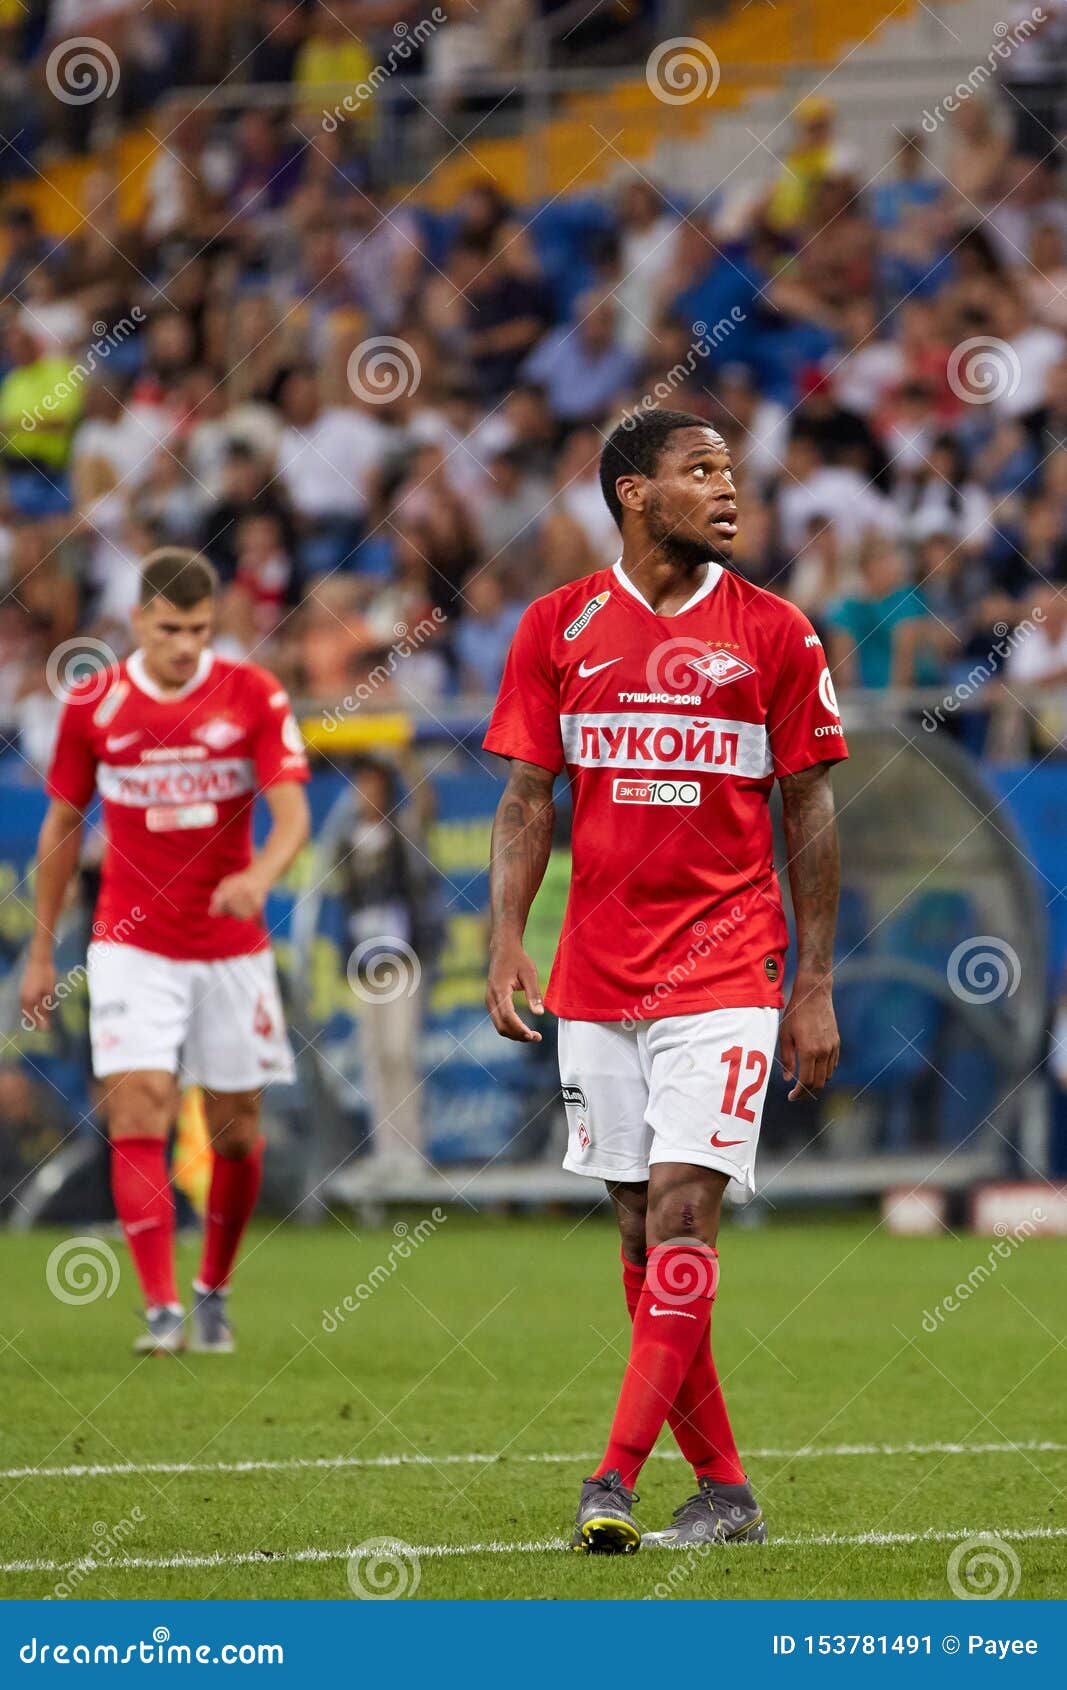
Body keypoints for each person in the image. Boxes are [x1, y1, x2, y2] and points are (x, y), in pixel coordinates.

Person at [483, 407, 847, 1553]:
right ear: (634, 493)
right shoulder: (557, 627)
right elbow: (526, 798)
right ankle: (726, 1490)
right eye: (700, 472)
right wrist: (506, 937)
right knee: (641, 1232)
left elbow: (808, 806)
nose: (728, 490)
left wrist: (814, 982)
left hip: (729, 966)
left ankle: (610, 1478)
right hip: (597, 974)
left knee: (689, 1209)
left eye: (732, 472)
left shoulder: (777, 634)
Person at [20, 550, 310, 1355]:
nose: (186, 644)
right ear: (139, 621)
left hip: (228, 945)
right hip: (128, 939)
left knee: (237, 1132)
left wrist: (259, 875)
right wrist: (42, 952)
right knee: (138, 1105)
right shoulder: (97, 703)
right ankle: (160, 1311)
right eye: (171, 628)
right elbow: (60, 829)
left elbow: (290, 815)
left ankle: (213, 1286)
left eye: (200, 629)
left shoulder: (252, 693)